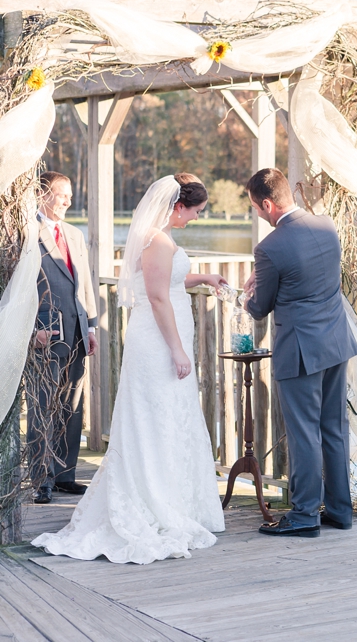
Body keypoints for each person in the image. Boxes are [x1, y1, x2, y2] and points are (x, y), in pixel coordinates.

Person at [33, 174, 227, 563]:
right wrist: (177, 350)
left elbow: (166, 280)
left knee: (169, 420)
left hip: (163, 338)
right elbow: (156, 297)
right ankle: (150, 501)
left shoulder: (159, 238)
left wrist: (203, 277)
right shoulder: (157, 239)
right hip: (157, 342)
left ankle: (171, 497)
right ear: (177, 206)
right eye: (195, 211)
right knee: (152, 420)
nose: (195, 218)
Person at [242, 168, 357, 538]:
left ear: (267, 204)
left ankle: (306, 514)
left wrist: (250, 293)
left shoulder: (270, 249)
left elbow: (260, 308)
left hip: (300, 350)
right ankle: (341, 511)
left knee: (304, 433)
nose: (257, 215)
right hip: (336, 343)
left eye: (256, 209)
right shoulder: (326, 226)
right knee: (333, 429)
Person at [30, 171, 98, 504]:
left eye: (70, 195)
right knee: (43, 406)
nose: (69, 201)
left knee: (72, 406)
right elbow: (16, 290)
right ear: (44, 194)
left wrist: (92, 326)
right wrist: (32, 330)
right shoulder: (27, 233)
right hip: (46, 332)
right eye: (62, 194)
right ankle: (41, 478)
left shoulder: (74, 233)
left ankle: (64, 475)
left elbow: (84, 281)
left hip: (77, 332)